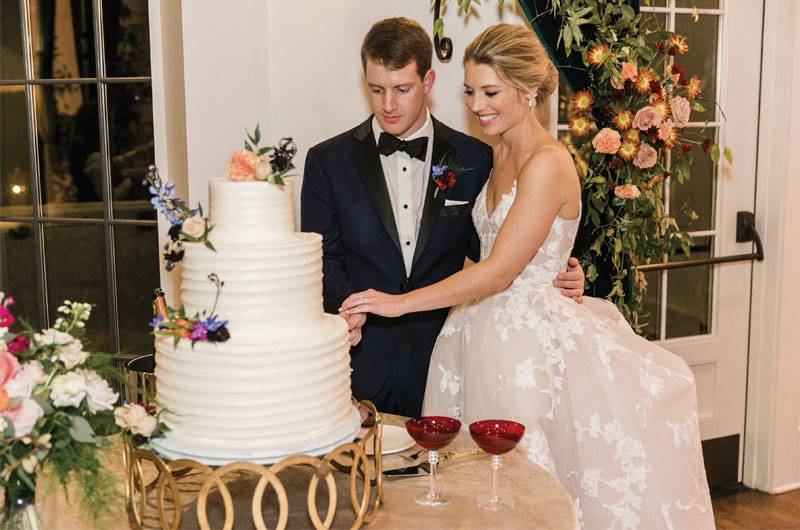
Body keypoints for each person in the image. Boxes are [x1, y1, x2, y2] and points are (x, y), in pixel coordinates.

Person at [340, 23, 714, 529]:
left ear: (530, 90)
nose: (477, 105)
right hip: (472, 336)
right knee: (472, 493)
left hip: (528, 350)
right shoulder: (489, 156)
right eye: (470, 91)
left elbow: (499, 272)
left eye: (490, 92)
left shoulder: (548, 163)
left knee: (528, 492)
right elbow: (481, 251)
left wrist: (397, 302)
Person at [301, 18, 586, 418]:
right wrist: (353, 308)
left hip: (449, 351)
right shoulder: (327, 161)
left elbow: (495, 258)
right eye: (376, 90)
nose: (388, 104)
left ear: (428, 81)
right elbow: (320, 259)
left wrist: (560, 269)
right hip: (363, 355)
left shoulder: (474, 157)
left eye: (401, 90)